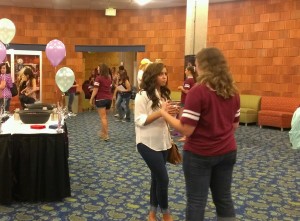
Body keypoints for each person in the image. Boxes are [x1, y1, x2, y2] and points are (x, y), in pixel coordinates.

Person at [160, 47, 240, 221]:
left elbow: (186, 129)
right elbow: (234, 126)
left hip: (200, 154)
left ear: (203, 66)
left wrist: (164, 113)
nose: (195, 69)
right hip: (227, 151)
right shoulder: (233, 91)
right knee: (224, 199)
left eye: (196, 65)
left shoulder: (198, 91)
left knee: (196, 201)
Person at [135, 62, 178, 221]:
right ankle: (166, 213)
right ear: (153, 76)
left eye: (166, 73)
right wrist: (161, 112)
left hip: (164, 142)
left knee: (156, 177)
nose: (165, 77)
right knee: (163, 179)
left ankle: (152, 213)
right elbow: (140, 120)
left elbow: (166, 119)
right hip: (146, 143)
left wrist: (172, 114)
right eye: (161, 74)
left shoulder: (165, 95)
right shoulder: (142, 95)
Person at [89, 63, 113, 141]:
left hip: (101, 99)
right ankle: (103, 133)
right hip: (109, 99)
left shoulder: (98, 78)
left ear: (102, 69)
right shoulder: (109, 78)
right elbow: (109, 88)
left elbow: (95, 90)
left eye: (99, 68)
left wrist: (91, 98)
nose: (98, 69)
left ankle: (106, 135)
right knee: (105, 118)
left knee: (103, 118)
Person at [177, 65, 197, 142]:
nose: (185, 71)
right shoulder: (193, 80)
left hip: (185, 101)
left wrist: (181, 88)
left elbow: (187, 91)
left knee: (181, 117)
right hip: (187, 101)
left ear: (189, 71)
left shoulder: (188, 81)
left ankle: (184, 135)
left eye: (186, 70)